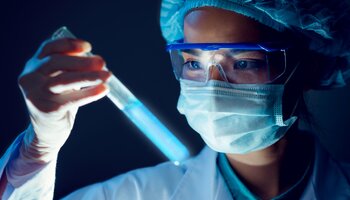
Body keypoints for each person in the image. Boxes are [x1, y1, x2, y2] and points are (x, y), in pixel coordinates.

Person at [1, 0, 350, 199]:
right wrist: (37, 152)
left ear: (306, 67)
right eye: (194, 63)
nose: (212, 87)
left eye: (244, 62)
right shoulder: (135, 195)